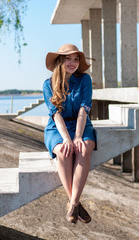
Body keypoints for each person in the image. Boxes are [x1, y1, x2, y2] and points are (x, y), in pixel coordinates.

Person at [43, 44, 96, 224]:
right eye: (68, 58)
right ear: (60, 60)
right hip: (57, 127)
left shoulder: (84, 80)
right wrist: (66, 138)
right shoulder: (48, 84)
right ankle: (76, 204)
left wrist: (78, 137)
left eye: (76, 59)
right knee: (64, 151)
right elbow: (55, 114)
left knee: (84, 148)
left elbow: (84, 110)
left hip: (81, 124)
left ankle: (72, 204)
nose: (72, 63)